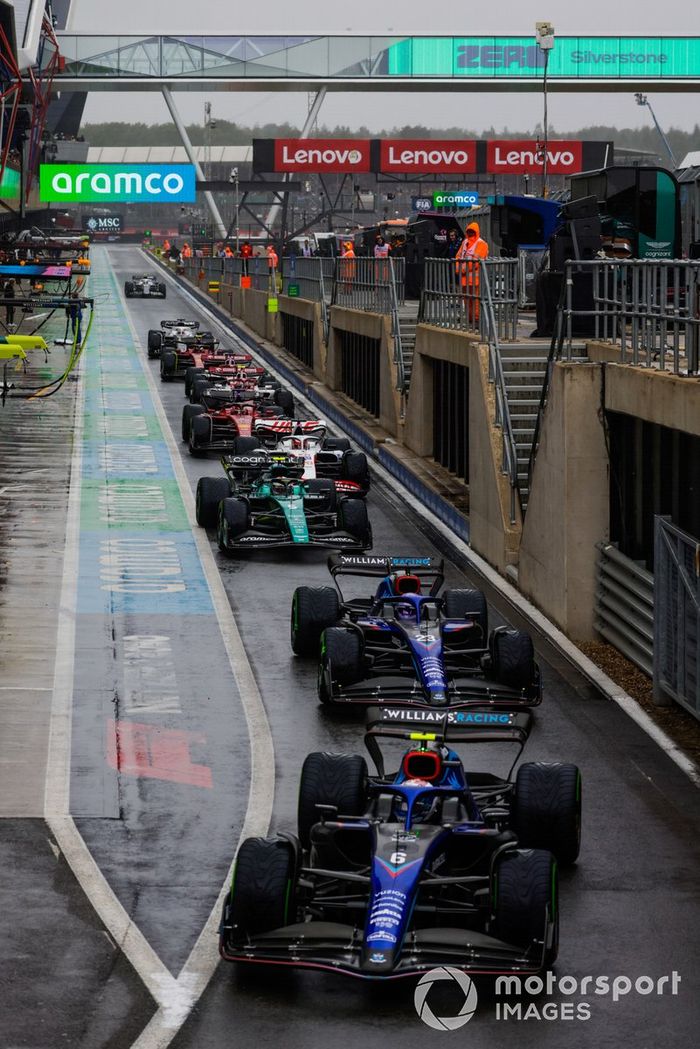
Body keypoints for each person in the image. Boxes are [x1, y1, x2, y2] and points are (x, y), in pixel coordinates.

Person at [455, 221, 489, 324]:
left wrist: (462, 269)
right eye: (468, 231)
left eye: (471, 231)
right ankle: (471, 320)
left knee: (476, 301)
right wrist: (458, 269)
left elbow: (475, 261)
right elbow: (458, 256)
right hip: (464, 280)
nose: (470, 233)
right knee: (467, 300)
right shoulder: (465, 242)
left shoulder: (481, 244)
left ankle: (477, 320)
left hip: (476, 280)